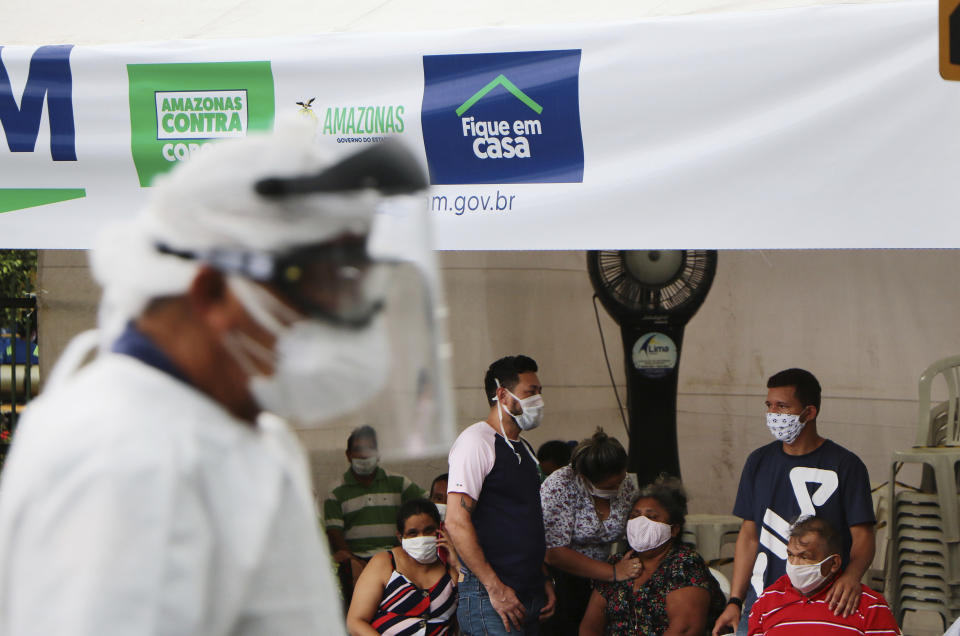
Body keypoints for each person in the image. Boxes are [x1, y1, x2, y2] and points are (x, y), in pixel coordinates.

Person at [0, 129, 428, 635]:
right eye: (313, 295)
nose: (332, 327)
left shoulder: (227, 433)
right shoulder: (125, 456)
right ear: (210, 290)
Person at [712, 369, 876, 636]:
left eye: (782, 406)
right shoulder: (758, 461)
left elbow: (864, 535)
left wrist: (851, 576)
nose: (773, 414)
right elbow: (749, 536)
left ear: (809, 413)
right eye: (769, 406)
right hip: (762, 601)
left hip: (826, 600)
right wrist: (735, 600)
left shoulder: (846, 465)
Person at [445, 354, 556, 635]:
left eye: (540, 392)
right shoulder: (476, 442)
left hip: (528, 592)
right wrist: (494, 587)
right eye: (530, 393)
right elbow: (456, 521)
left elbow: (527, 519)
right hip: (491, 598)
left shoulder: (526, 449)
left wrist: (542, 577)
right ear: (502, 395)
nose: (538, 400)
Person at [580, 477, 725, 636]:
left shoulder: (684, 564)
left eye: (652, 517)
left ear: (674, 529)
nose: (641, 522)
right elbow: (590, 627)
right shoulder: (616, 564)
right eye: (635, 515)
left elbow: (685, 629)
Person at [541, 429, 640, 636]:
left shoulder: (626, 484)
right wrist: (613, 572)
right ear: (585, 477)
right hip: (566, 581)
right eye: (610, 485)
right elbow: (554, 552)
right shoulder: (561, 485)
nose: (618, 487)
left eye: (620, 480)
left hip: (608, 578)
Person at [747, 515, 900, 635]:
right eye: (790, 555)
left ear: (834, 563)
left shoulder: (870, 606)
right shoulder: (766, 602)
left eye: (805, 557)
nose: (794, 564)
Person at [325, 426, 427, 592]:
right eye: (358, 449)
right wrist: (355, 563)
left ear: (379, 453)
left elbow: (427, 504)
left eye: (369, 449)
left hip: (395, 558)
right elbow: (334, 534)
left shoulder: (399, 483)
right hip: (356, 562)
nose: (364, 455)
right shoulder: (336, 492)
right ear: (348, 454)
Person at [346, 499, 459, 636]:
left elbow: (473, 604)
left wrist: (457, 563)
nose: (421, 538)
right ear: (400, 537)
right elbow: (356, 622)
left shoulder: (450, 566)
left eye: (429, 530)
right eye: (413, 533)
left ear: (440, 530)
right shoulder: (385, 563)